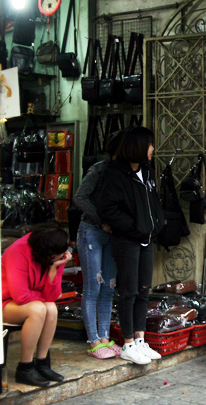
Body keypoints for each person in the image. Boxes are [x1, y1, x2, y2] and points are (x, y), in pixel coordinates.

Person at [97, 126, 165, 365]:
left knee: (144, 290)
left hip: (146, 239)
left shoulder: (147, 171)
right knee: (128, 292)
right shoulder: (115, 174)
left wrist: (156, 225)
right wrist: (134, 227)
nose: (152, 149)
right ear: (137, 146)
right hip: (127, 240)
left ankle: (139, 340)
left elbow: (154, 201)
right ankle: (127, 343)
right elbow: (107, 209)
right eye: (149, 144)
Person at [2, 222, 71, 386]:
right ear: (47, 253)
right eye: (60, 255)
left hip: (28, 301)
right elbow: (20, 296)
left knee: (51, 309)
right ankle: (25, 368)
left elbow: (52, 297)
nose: (64, 257)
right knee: (39, 309)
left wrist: (54, 268)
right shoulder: (17, 251)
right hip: (5, 302)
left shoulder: (56, 258)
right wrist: (42, 296)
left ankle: (41, 363)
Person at [74, 131, 124, 359]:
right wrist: (101, 221)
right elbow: (80, 197)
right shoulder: (98, 169)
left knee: (108, 287)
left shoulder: (123, 172)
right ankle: (93, 340)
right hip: (92, 232)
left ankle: (104, 336)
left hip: (112, 234)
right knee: (93, 288)